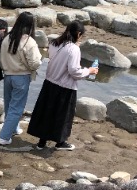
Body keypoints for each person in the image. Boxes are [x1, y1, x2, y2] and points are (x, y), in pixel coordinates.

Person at [27, 21, 98, 151]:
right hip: (65, 87)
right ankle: (60, 142)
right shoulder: (74, 49)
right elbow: (74, 71)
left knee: (46, 113)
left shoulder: (54, 43)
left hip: (49, 83)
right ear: (78, 34)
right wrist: (89, 71)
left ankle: (41, 142)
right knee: (62, 116)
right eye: (81, 35)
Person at [0, 12, 41, 146]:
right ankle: (4, 137)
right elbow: (35, 63)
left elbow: (0, 57)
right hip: (21, 77)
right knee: (16, 108)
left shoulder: (7, 38)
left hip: (8, 76)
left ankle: (14, 129)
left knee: (9, 105)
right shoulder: (29, 41)